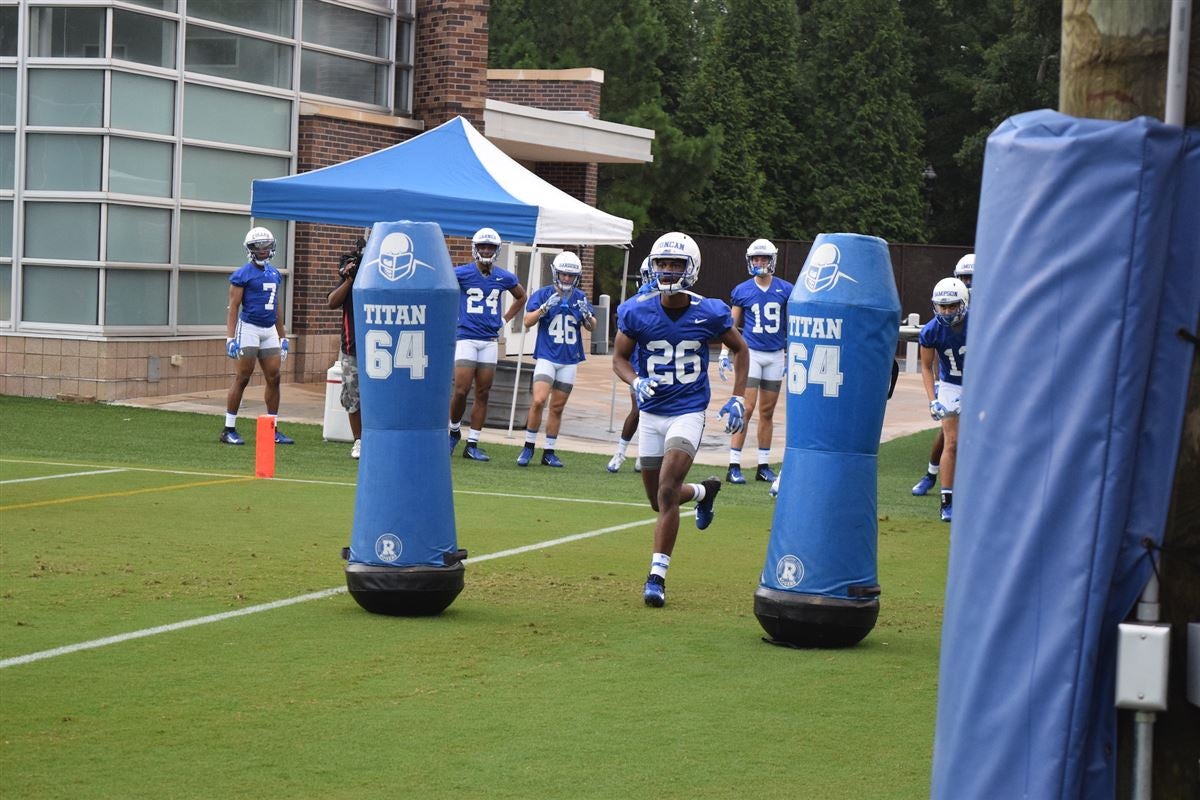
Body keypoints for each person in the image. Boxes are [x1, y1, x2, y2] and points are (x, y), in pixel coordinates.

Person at [613, 232, 749, 608]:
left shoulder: (710, 311)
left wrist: (738, 396)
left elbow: (740, 349)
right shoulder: (637, 310)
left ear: (692, 268)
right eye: (662, 264)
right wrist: (635, 380)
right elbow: (619, 359)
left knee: (669, 488)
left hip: (688, 410)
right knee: (659, 501)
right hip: (652, 413)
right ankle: (704, 492)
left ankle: (656, 577)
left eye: (676, 264)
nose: (668, 271)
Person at [719, 238, 794, 484]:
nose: (760, 263)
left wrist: (791, 354)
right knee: (746, 409)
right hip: (751, 354)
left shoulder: (786, 289)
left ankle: (763, 465)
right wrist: (724, 352)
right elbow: (731, 326)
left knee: (767, 412)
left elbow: (792, 325)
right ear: (750, 260)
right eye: (756, 259)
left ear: (772, 260)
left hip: (775, 354)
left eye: (764, 258)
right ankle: (733, 464)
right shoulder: (742, 290)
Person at [449, 227, 527, 461]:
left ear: (497, 250)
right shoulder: (460, 273)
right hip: (466, 337)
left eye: (490, 247)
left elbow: (521, 296)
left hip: (490, 340)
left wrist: (504, 320)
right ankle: (453, 431)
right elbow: (442, 289)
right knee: (461, 389)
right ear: (475, 248)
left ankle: (472, 443)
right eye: (482, 246)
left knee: (483, 392)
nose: (485, 250)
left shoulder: (505, 276)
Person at [516, 251, 596, 467]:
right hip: (547, 356)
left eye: (571, 275)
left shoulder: (580, 297)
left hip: (569, 358)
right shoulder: (543, 294)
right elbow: (527, 321)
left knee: (557, 407)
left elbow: (592, 326)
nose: (567, 279)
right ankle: (528, 447)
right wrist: (544, 309)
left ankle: (549, 451)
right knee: (539, 400)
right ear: (556, 273)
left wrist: (587, 316)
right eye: (563, 274)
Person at [220, 227, 293, 446]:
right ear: (250, 249)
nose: (262, 250)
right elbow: (233, 307)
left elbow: (276, 306)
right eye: (257, 247)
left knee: (274, 377)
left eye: (266, 246)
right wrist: (230, 338)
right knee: (243, 377)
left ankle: (272, 428)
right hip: (249, 327)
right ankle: (228, 428)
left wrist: (282, 336)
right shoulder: (242, 274)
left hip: (269, 328)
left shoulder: (274, 273)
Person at [912, 253, 974, 495]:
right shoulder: (934, 327)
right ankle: (933, 476)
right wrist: (936, 393)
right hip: (951, 380)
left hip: (978, 380)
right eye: (965, 277)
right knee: (950, 436)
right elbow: (930, 362)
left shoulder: (983, 316)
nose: (970, 283)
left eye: (974, 277)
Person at [919, 276, 970, 522]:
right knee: (952, 442)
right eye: (943, 306)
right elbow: (927, 368)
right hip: (950, 384)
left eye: (952, 305)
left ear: (964, 303)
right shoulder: (930, 330)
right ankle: (946, 501)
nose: (947, 311)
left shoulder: (980, 323)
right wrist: (933, 399)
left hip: (979, 381)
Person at [607, 258, 655, 473]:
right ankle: (621, 452)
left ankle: (645, 455)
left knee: (655, 413)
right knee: (638, 410)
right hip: (637, 367)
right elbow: (622, 349)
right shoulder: (633, 306)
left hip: (662, 368)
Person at [327, 235, 366, 459]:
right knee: (352, 397)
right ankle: (358, 441)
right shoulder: (350, 280)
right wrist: (350, 281)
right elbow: (332, 302)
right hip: (352, 347)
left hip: (380, 348)